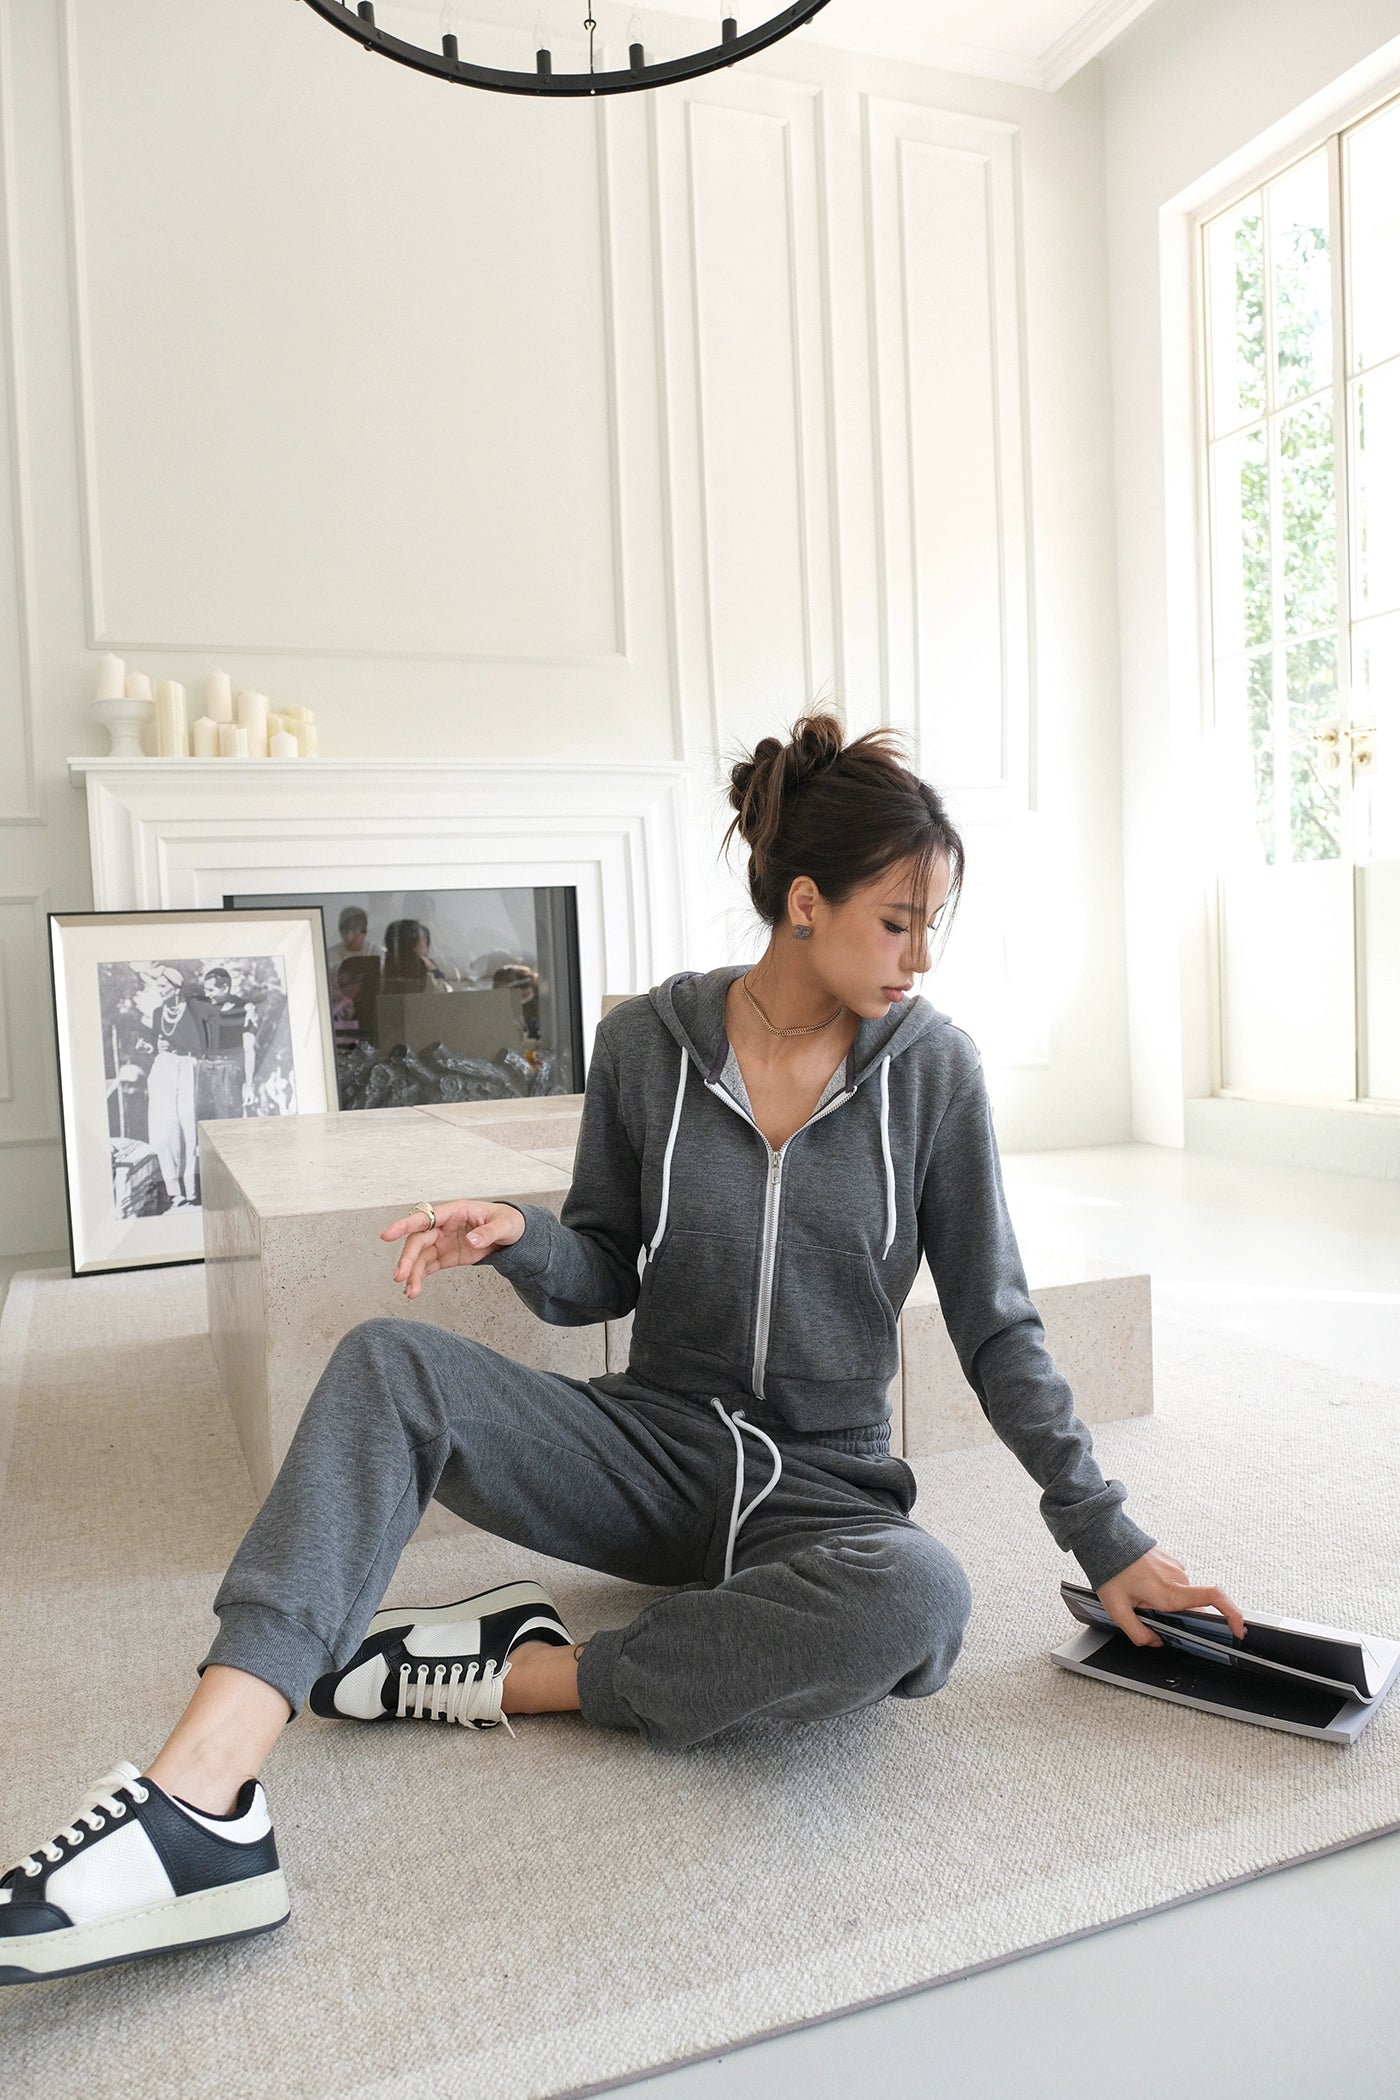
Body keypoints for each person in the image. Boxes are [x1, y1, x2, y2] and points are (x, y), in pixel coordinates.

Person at [0, 712, 1244, 1987]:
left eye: (934, 924)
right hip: (647, 1446)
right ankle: (203, 1803)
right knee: (388, 1361)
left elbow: (993, 1323)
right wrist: (519, 1236)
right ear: (803, 903)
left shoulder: (934, 1073)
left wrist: (1104, 1536)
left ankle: (518, 1674)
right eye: (896, 920)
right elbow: (600, 1267)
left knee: (920, 1597)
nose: (920, 956)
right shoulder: (649, 1042)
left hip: (820, 1489)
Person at [327, 906, 379, 975]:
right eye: (345, 932)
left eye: (354, 931)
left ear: (365, 930)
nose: (349, 937)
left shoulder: (376, 953)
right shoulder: (330, 956)